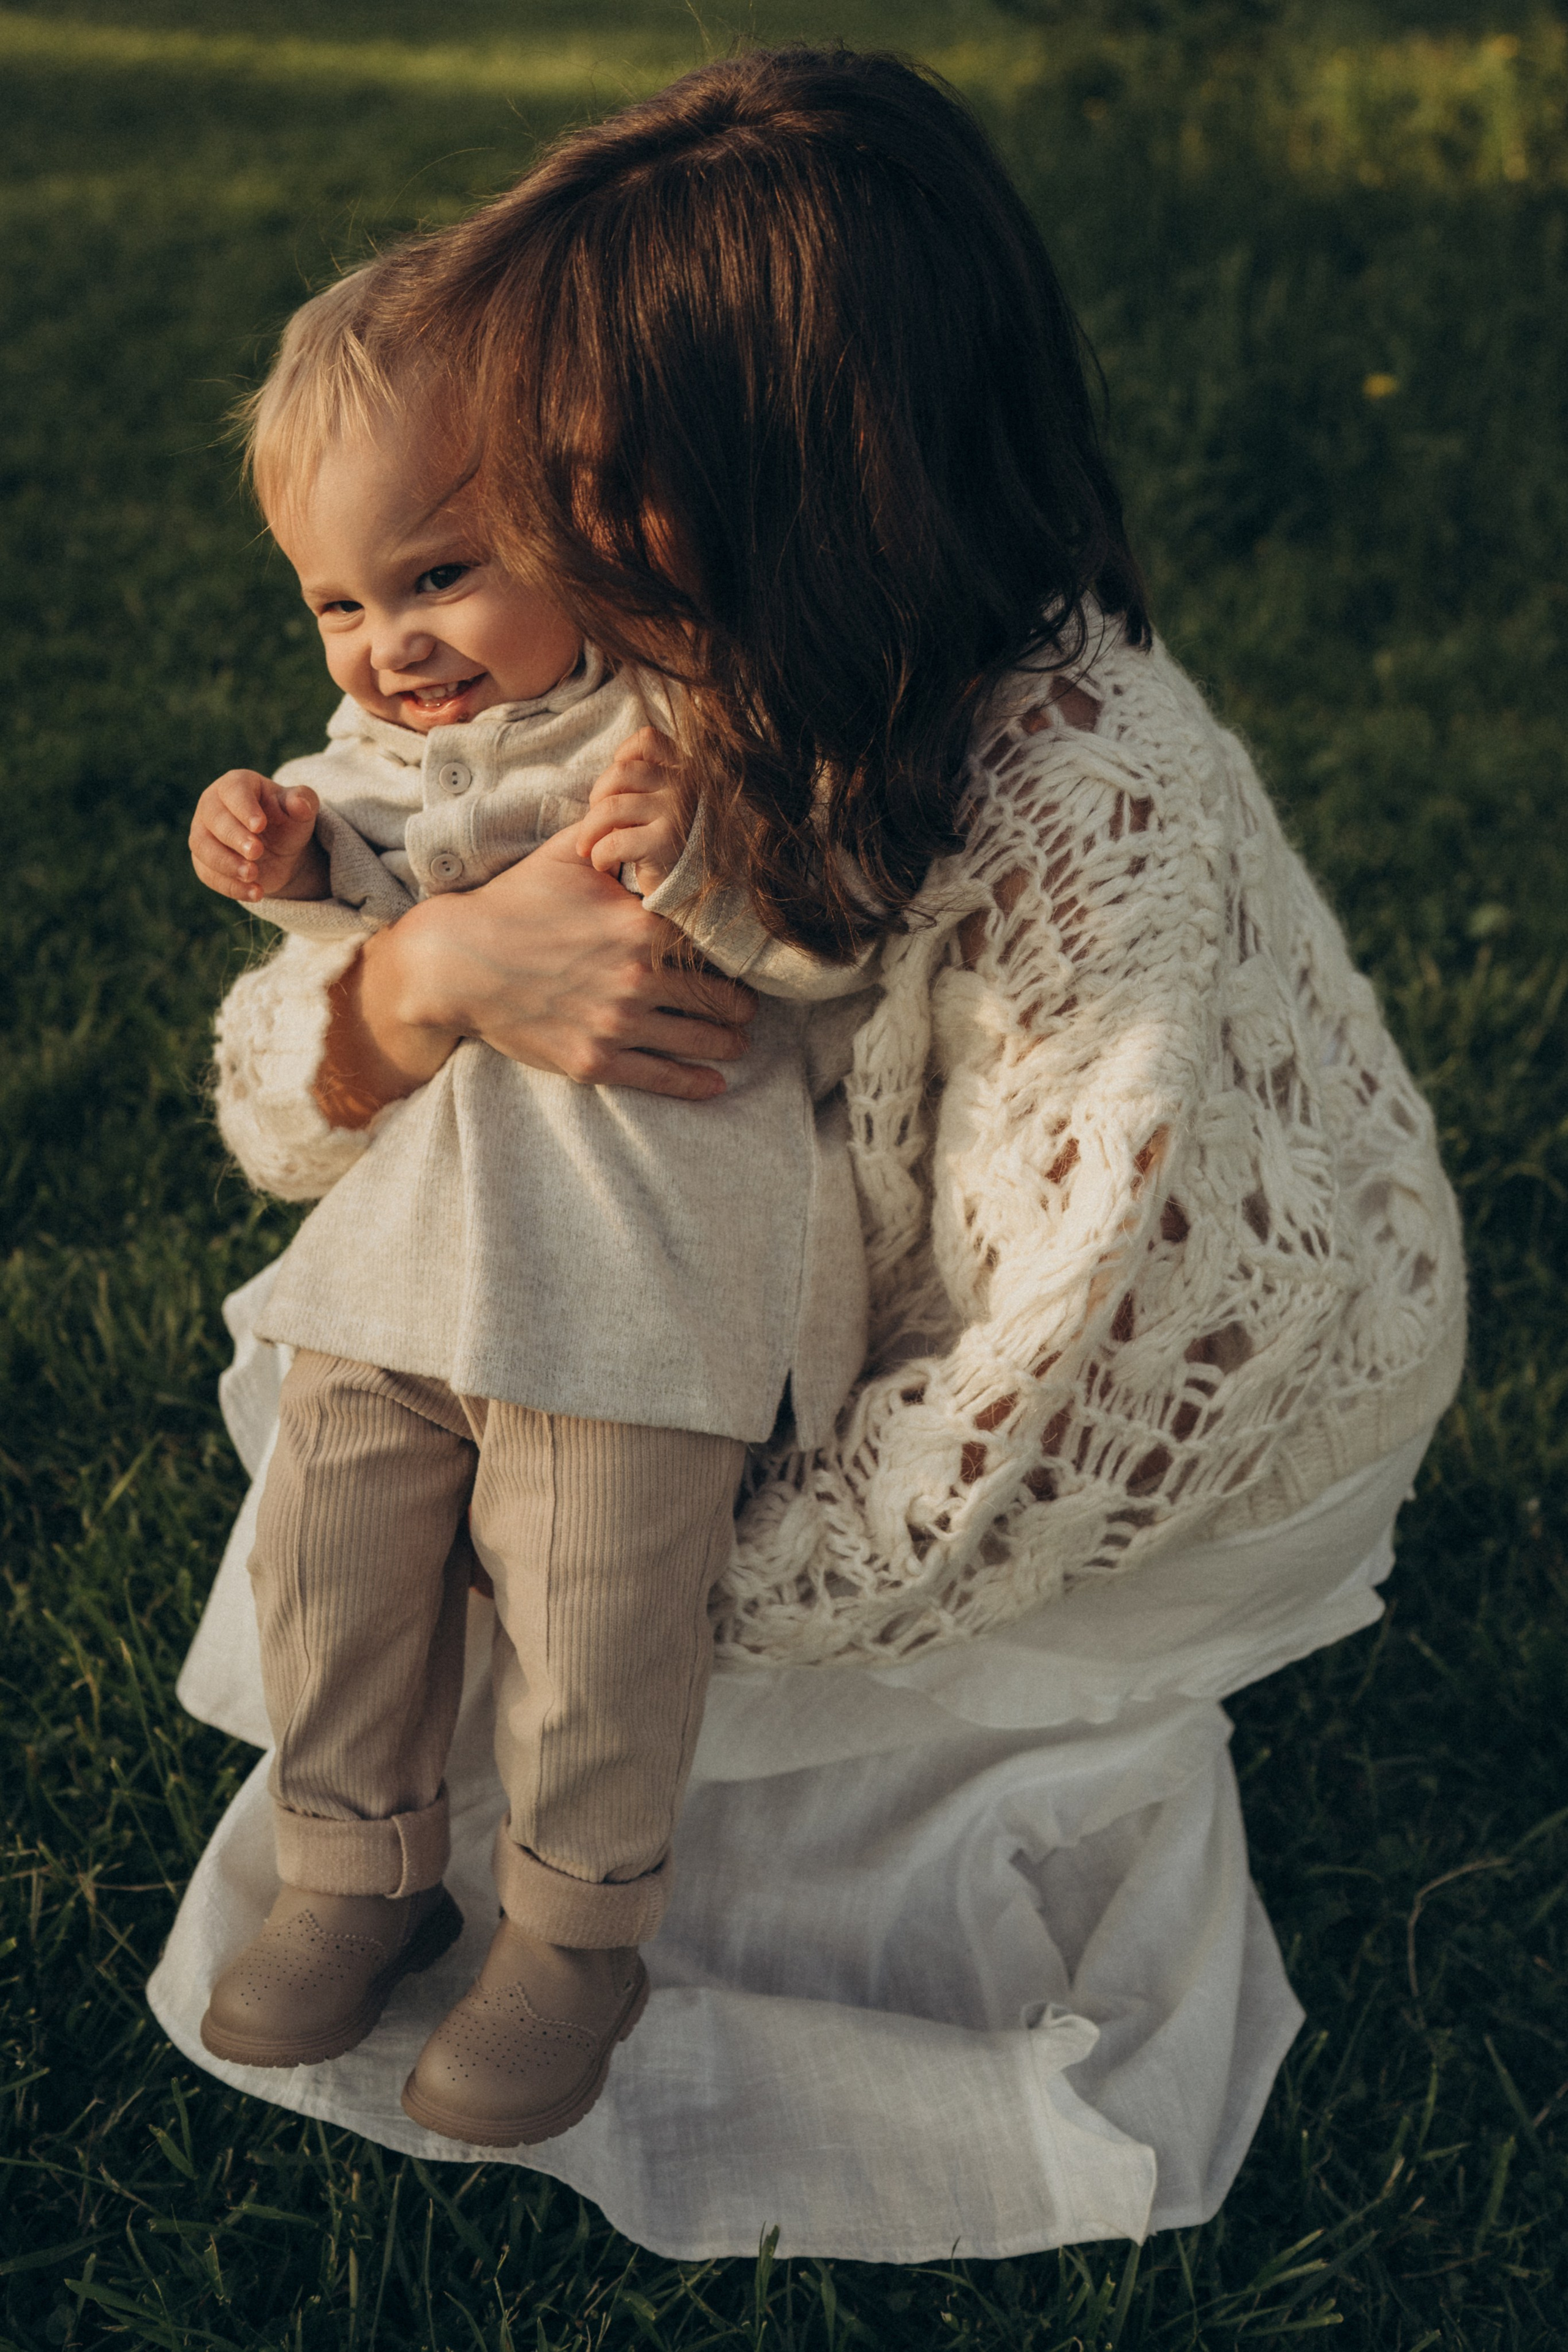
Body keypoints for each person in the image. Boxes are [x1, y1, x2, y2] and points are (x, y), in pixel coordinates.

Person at [200, 45, 1463, 2173]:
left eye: (586, 474)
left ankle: (592, 1917)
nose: (542, 544)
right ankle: (408, 1849)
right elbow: (287, 1116)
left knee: (583, 1622)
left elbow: (1054, 1396)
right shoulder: (669, 661)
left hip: (960, 1465)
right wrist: (420, 979)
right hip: (632, 1325)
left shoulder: (1088, 807)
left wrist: (635, 1556)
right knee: (364, 1479)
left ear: (802, 461)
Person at [187, 253, 876, 2147]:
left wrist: (726, 857)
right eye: (336, 601)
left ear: (594, 521)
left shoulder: (698, 724)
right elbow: (371, 907)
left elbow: (835, 953)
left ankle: (576, 1940)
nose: (387, 645)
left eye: (435, 575)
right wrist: (297, 847)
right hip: (412, 1259)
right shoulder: (400, 752)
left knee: (596, 1611)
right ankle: (354, 1866)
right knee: (329, 1549)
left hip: (635, 1283)